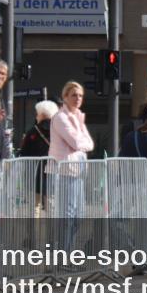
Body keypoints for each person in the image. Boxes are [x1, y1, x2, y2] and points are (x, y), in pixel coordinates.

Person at [48, 82, 95, 249]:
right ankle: (62, 254)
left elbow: (90, 144)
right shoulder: (61, 117)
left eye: (80, 95)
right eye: (74, 95)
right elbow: (75, 142)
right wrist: (81, 143)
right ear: (65, 97)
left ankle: (65, 251)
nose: (78, 98)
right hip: (64, 171)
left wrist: (81, 143)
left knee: (79, 215)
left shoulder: (78, 117)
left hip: (78, 171)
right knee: (67, 216)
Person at [19, 100, 58, 216]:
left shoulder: (32, 132)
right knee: (51, 210)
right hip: (52, 176)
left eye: (37, 113)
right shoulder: (58, 131)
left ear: (41, 114)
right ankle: (53, 234)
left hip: (33, 176)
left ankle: (32, 234)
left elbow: (23, 153)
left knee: (33, 210)